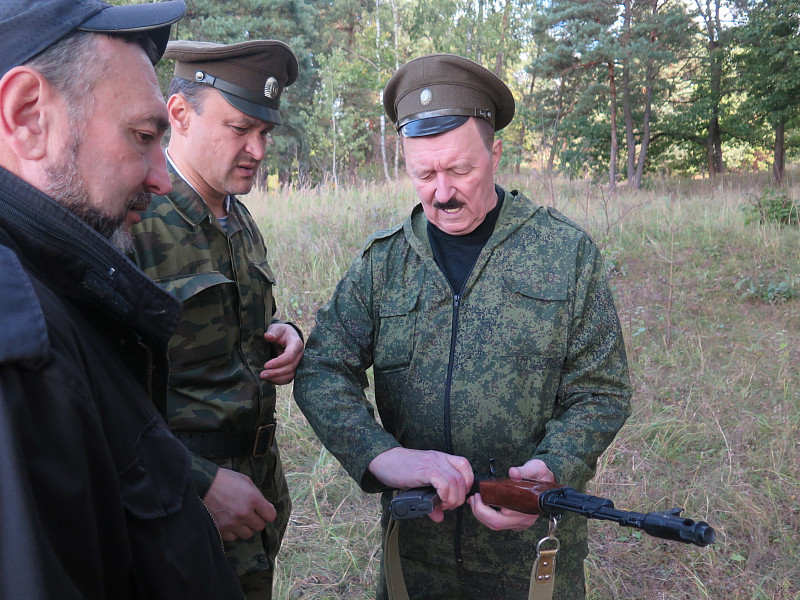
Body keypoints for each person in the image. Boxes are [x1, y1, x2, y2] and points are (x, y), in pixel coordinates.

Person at [293, 53, 633, 600]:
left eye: (460, 170)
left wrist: (550, 468)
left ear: (495, 154)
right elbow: (322, 369)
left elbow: (601, 391)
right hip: (416, 558)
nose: (442, 193)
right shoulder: (385, 264)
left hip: (531, 561)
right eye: (424, 174)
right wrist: (382, 455)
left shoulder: (564, 253)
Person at [0, 1, 245, 599]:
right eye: (142, 136)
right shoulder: (19, 341)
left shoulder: (53, 292)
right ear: (28, 116)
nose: (162, 178)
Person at [129, 40, 304, 598]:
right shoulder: (135, 222)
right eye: (239, 128)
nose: (258, 149)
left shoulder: (239, 218)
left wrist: (289, 336)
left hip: (256, 492)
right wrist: (196, 483)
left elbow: (247, 324)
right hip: (179, 502)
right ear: (179, 114)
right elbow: (100, 391)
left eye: (266, 133)